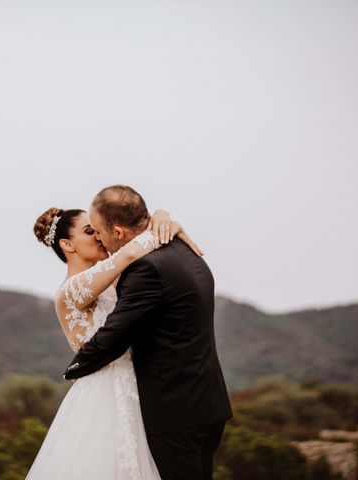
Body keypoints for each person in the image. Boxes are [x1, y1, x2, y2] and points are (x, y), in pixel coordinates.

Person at [64, 185, 233, 480]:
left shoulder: (145, 269)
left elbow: (116, 334)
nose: (100, 240)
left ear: (118, 232)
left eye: (99, 232)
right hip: (209, 402)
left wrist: (76, 366)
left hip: (175, 412)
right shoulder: (185, 249)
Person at [27, 204, 203, 480]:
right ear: (66, 245)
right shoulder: (71, 290)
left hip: (142, 389)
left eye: (98, 230)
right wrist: (161, 222)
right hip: (103, 397)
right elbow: (132, 250)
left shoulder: (113, 280)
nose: (100, 236)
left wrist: (161, 216)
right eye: (90, 231)